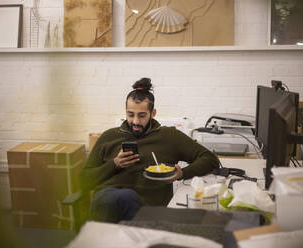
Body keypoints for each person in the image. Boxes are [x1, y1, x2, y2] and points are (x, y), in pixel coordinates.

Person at [80, 78, 219, 223]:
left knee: (128, 199)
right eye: (130, 114)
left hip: (148, 210)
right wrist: (114, 164)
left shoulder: (169, 136)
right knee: (122, 197)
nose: (135, 121)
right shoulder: (109, 136)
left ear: (153, 113)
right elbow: (83, 180)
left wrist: (181, 173)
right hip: (107, 205)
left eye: (142, 115)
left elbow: (210, 159)